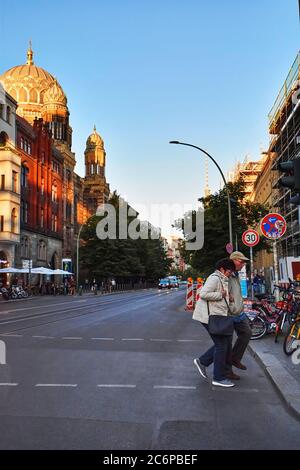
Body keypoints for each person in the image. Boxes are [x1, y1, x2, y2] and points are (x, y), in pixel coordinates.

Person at [192, 258, 236, 388]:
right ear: (222, 269)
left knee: (223, 344)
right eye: (229, 271)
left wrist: (227, 296)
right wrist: (221, 295)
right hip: (209, 317)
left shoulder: (221, 278)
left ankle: (203, 361)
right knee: (221, 345)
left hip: (215, 316)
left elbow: (219, 295)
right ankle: (218, 377)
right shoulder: (215, 278)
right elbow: (204, 294)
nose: (230, 273)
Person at [228, 251, 252, 372]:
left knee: (247, 332)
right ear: (234, 261)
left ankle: (235, 358)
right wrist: (231, 306)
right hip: (230, 313)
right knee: (225, 344)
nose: (243, 264)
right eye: (241, 261)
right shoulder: (226, 274)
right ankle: (226, 371)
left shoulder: (235, 274)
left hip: (239, 312)